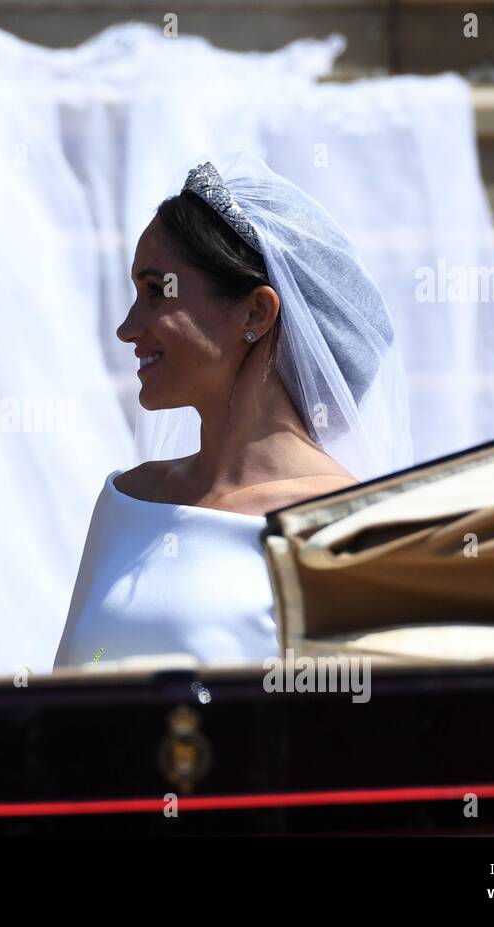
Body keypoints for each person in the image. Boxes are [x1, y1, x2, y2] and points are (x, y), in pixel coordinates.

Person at [53, 153, 413, 668]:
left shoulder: (338, 529)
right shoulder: (125, 501)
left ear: (255, 312)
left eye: (157, 292)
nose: (128, 328)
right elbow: (65, 694)